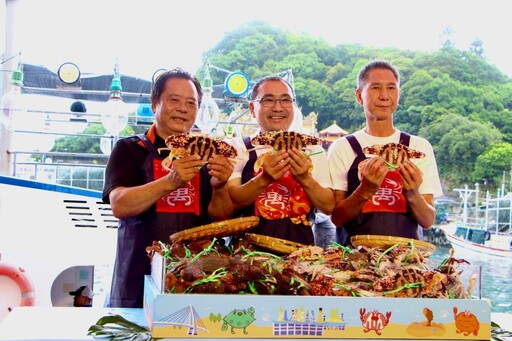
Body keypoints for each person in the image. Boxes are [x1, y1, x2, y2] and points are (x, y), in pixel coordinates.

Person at [102, 68, 234, 308]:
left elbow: (221, 220)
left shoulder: (208, 154)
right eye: (174, 100)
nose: (183, 108)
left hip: (197, 280)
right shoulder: (130, 149)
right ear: (155, 104)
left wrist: (220, 186)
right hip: (137, 278)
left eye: (191, 103)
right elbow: (119, 205)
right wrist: (170, 181)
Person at [327, 60, 443, 244]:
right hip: (353, 262)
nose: (384, 96)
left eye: (391, 88)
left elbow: (427, 221)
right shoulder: (343, 147)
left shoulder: (418, 148)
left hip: (405, 261)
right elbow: (337, 218)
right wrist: (365, 190)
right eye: (375, 88)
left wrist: (412, 192)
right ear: (359, 96)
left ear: (398, 95)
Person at [227, 76, 333, 245]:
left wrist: (305, 178)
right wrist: (264, 179)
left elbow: (328, 205)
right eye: (268, 100)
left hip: (300, 252)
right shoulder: (239, 148)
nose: (278, 108)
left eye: (285, 100)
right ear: (253, 108)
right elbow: (231, 203)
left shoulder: (312, 149)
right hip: (247, 253)